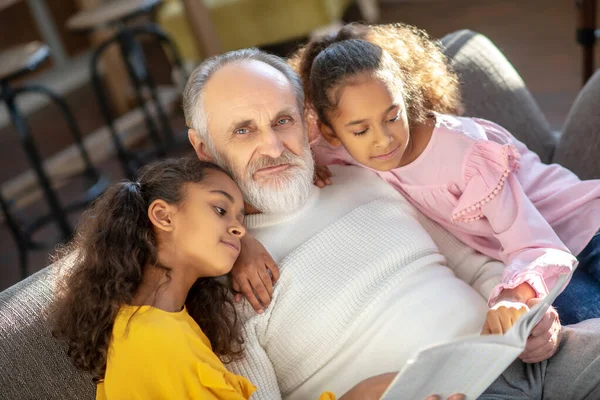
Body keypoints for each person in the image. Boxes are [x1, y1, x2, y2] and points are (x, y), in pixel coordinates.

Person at [182, 47, 600, 400]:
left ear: (308, 122)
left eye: (282, 121)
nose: (273, 147)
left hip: (515, 355)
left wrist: (522, 315)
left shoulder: (363, 170)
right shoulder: (216, 268)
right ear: (202, 147)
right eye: (243, 130)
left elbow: (472, 263)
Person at [293, 23, 600, 326]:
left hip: (581, 228)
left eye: (392, 117)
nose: (383, 139)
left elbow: (535, 244)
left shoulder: (466, 156)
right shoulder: (338, 147)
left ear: (407, 98)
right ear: (330, 133)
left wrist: (512, 297)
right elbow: (285, 158)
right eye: (361, 130)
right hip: (542, 264)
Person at [49, 157, 392, 400]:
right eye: (220, 209)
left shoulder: (154, 324)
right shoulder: (159, 343)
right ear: (162, 216)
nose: (239, 228)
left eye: (241, 217)